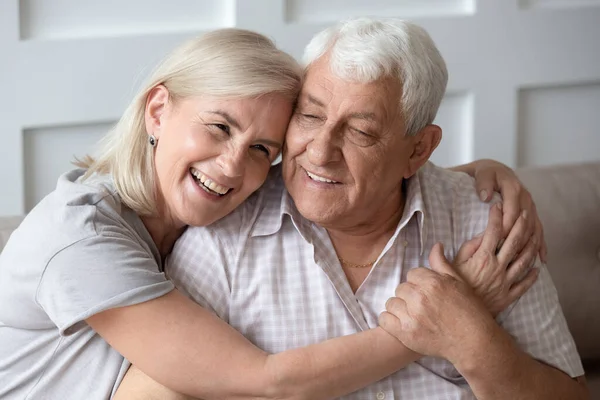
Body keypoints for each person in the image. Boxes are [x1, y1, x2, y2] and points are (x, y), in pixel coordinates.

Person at [0, 28, 540, 400]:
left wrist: (468, 172)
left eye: (263, 148)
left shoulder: (183, 215)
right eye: (218, 127)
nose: (233, 166)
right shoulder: (82, 240)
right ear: (159, 109)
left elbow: (345, 170)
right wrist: (453, 320)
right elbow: (266, 381)